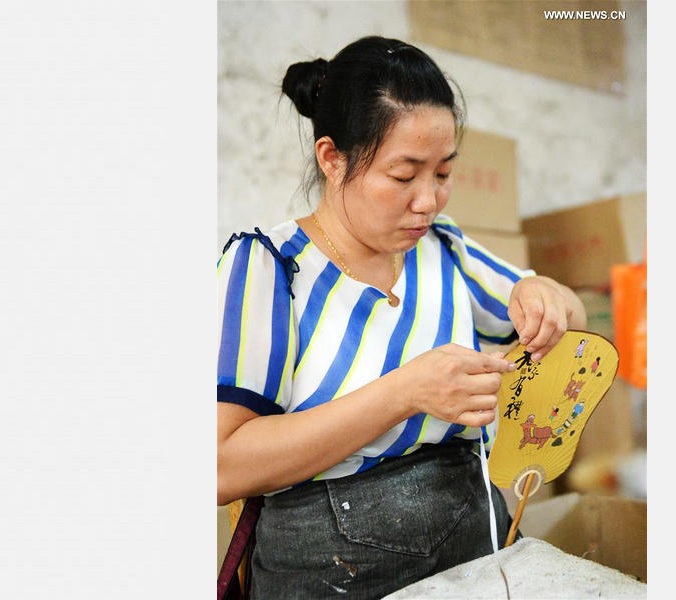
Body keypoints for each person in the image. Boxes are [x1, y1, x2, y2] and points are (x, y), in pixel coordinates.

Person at [217, 35, 587, 599]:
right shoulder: (269, 266)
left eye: (443, 173)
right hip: (331, 568)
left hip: (471, 540)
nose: (428, 201)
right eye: (404, 175)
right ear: (332, 158)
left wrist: (547, 293)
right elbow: (221, 466)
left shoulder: (443, 247)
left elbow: (570, 320)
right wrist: (406, 392)